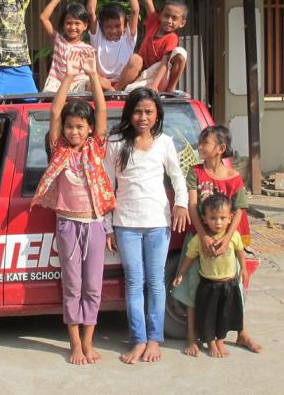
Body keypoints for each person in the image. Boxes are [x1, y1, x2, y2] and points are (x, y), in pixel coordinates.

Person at [31, 52, 115, 364]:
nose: (74, 132)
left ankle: (89, 342)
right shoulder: (59, 149)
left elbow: (102, 111)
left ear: (89, 129)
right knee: (72, 286)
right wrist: (67, 75)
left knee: (93, 286)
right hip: (67, 224)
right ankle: (75, 344)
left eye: (80, 127)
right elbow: (54, 112)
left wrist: (93, 74)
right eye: (70, 127)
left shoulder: (95, 147)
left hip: (94, 224)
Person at [105, 87, 189, 364]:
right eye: (138, 111)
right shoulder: (115, 142)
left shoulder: (164, 142)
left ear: (157, 115)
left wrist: (181, 204)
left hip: (158, 223)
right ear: (129, 113)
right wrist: (107, 227)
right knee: (133, 283)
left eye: (149, 112)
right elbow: (107, 186)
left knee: (155, 283)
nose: (143, 117)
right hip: (126, 223)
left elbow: (178, 178)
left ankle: (154, 340)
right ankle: (138, 340)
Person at [171, 124, 262, 357]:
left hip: (228, 242)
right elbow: (192, 205)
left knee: (234, 289)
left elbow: (240, 210)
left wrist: (227, 238)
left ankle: (241, 332)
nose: (200, 147)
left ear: (221, 148)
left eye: (205, 143)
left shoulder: (234, 178)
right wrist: (202, 235)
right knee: (193, 287)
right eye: (200, 143)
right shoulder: (196, 172)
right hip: (198, 239)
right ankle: (192, 337)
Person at [172, 193, 248, 358]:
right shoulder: (200, 240)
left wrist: (244, 269)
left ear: (230, 218)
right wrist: (180, 274)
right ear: (204, 219)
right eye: (213, 218)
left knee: (224, 315)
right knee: (207, 316)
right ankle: (210, 343)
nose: (218, 222)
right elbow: (189, 257)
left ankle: (220, 340)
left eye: (222, 218)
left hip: (229, 284)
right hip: (208, 286)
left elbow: (240, 251)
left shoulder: (233, 236)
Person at [114, 0, 188, 92]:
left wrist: (155, 84)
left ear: (182, 23)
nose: (169, 21)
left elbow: (165, 63)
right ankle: (116, 91)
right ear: (160, 15)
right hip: (143, 76)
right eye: (166, 16)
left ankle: (171, 90)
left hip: (158, 76)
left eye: (174, 18)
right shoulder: (155, 23)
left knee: (180, 53)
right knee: (136, 59)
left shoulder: (172, 37)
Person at [85, 0, 140, 91]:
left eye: (117, 26)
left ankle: (115, 92)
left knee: (137, 59)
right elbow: (90, 11)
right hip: (102, 84)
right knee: (91, 78)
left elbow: (135, 10)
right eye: (109, 27)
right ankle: (113, 92)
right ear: (102, 27)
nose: (114, 30)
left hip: (124, 83)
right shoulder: (98, 38)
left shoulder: (127, 38)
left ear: (125, 26)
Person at [39, 0, 96, 93]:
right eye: (69, 23)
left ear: (85, 26)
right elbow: (43, 18)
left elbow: (91, 72)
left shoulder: (88, 49)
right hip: (57, 85)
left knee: (100, 82)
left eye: (77, 23)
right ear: (63, 25)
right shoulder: (58, 41)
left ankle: (118, 97)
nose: (73, 27)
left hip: (79, 85)